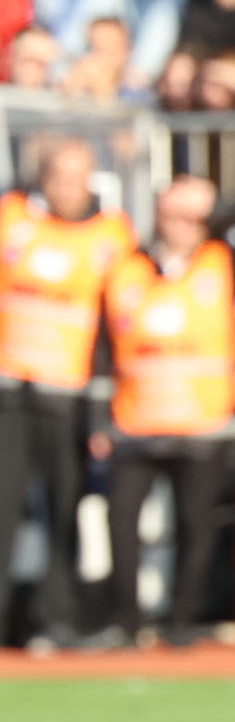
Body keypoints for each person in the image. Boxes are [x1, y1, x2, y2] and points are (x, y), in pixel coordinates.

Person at [0, 138, 141, 651]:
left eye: (77, 178)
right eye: (57, 176)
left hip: (71, 393)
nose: (66, 189)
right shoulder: (12, 217)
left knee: (65, 510)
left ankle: (56, 619)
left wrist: (105, 408)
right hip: (10, 388)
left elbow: (119, 322)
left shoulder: (112, 235)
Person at [98, 175, 235, 646]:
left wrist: (216, 204)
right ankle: (127, 620)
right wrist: (99, 418)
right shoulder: (129, 267)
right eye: (173, 215)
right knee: (120, 519)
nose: (181, 226)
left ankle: (182, 620)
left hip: (201, 421)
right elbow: (103, 346)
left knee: (195, 524)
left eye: (191, 217)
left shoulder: (223, 260)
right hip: (136, 420)